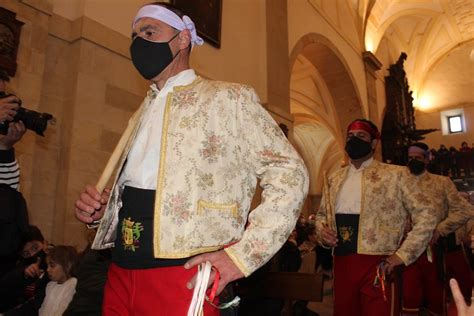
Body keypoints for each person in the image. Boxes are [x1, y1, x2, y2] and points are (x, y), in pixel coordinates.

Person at [73, 2, 309, 315]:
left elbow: (290, 173)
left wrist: (242, 256)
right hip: (119, 271)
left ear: (183, 38)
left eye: (149, 31)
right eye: (134, 35)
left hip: (183, 276)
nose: (138, 42)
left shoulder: (229, 99)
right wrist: (104, 214)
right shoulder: (141, 112)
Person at [315, 119, 437, 316]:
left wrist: (403, 254)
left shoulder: (397, 174)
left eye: (361, 136)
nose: (354, 140)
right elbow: (321, 215)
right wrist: (322, 231)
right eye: (350, 137)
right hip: (342, 263)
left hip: (379, 264)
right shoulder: (333, 178)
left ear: (373, 143)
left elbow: (427, 215)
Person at [402, 142, 474, 315]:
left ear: (427, 159)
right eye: (410, 158)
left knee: (434, 294)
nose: (413, 161)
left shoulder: (442, 183)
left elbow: (465, 210)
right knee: (409, 296)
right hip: (405, 250)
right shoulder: (399, 183)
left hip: (434, 250)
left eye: (417, 158)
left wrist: (440, 229)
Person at [0, 225, 50, 314]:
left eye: (35, 248)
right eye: (26, 253)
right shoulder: (20, 266)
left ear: (45, 243)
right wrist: (24, 273)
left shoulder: (57, 263)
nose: (32, 254)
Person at [38, 245, 78, 316]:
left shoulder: (72, 285)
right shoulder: (50, 286)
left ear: (67, 266)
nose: (48, 269)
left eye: (52, 266)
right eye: (47, 266)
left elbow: (63, 311)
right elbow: (43, 309)